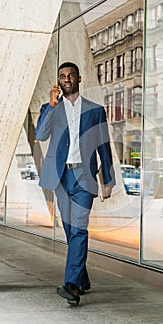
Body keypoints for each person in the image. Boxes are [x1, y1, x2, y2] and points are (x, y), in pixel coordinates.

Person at [35, 62, 116, 305]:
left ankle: (71, 285)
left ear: (79, 78)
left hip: (85, 177)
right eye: (62, 76)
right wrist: (50, 106)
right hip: (61, 177)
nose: (67, 79)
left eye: (71, 75)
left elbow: (104, 145)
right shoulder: (50, 108)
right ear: (58, 81)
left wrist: (108, 179)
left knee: (79, 227)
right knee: (70, 229)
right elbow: (40, 135)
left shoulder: (94, 110)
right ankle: (81, 275)